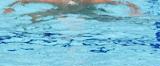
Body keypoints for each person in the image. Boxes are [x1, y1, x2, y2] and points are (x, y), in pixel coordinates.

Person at [3, 0, 140, 16]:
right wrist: (10, 8)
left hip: (89, 14)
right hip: (57, 13)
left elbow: (124, 2)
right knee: (36, 16)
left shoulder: (90, 1)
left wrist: (135, 10)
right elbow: (22, 1)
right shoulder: (56, 1)